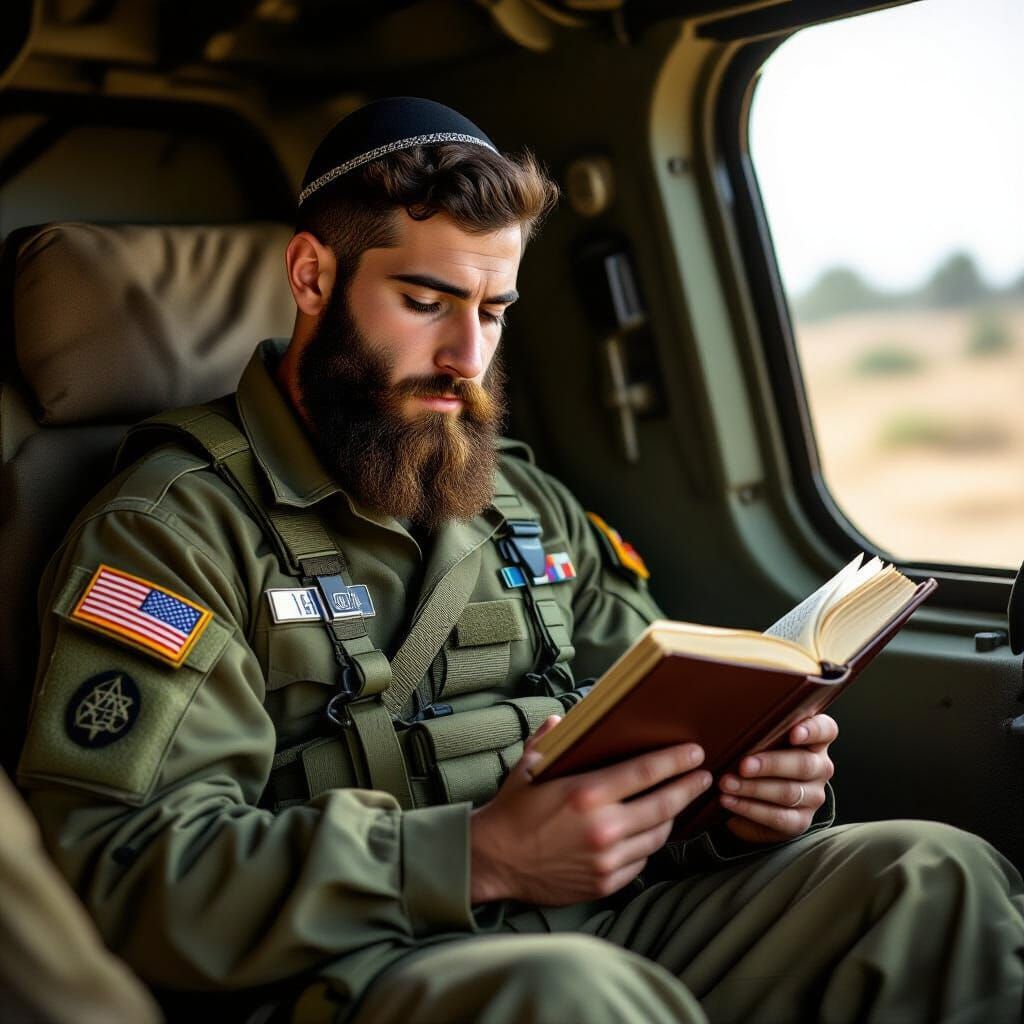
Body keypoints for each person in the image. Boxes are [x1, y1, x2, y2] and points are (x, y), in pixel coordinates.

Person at [16, 97, 1024, 1023]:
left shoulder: (526, 504)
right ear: (313, 277)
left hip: (593, 921)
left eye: (493, 312)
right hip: (356, 970)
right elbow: (113, 866)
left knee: (930, 878)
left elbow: (662, 715)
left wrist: (741, 800)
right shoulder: (173, 528)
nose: (468, 353)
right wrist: (476, 856)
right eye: (425, 300)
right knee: (574, 997)